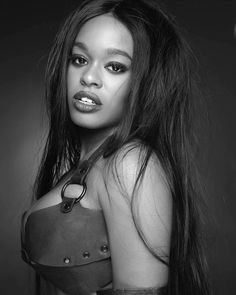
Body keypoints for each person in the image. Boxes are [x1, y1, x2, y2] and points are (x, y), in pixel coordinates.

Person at [21, 0, 210, 294]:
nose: (89, 77)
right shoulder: (88, 166)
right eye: (79, 59)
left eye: (115, 66)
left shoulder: (130, 164)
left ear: (146, 82)